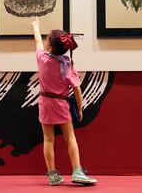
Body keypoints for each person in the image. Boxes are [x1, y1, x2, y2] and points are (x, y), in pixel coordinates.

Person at [31, 17, 97, 186]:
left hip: (45, 103)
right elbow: (76, 89)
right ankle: (77, 171)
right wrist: (80, 109)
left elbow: (37, 41)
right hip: (61, 104)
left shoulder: (42, 59)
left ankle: (52, 175)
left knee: (48, 139)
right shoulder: (68, 65)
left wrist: (36, 26)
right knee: (70, 137)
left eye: (47, 40)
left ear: (50, 47)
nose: (44, 42)